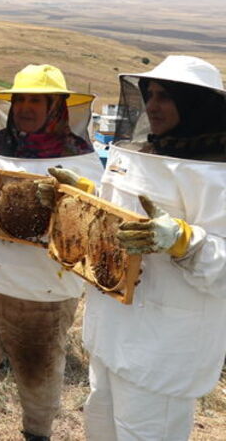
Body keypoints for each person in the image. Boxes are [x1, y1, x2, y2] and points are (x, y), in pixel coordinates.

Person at [50, 55, 226, 440]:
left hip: (165, 344)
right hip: (111, 327)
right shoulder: (138, 152)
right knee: (101, 424)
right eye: (150, 94)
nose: (151, 106)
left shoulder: (219, 173)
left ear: (197, 104)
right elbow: (120, 217)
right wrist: (87, 198)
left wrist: (183, 240)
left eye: (165, 96)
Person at [0, 64, 102, 441]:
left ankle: (36, 433)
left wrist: (72, 198)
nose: (25, 107)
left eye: (36, 100)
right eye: (20, 99)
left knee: (38, 370)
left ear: (57, 107)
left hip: (40, 289)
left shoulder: (82, 162)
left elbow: (93, 223)